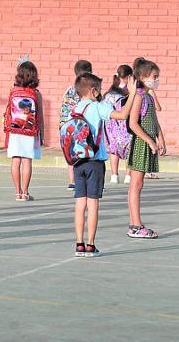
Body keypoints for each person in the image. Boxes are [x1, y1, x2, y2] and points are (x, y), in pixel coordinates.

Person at [70, 73, 136, 257]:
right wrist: (131, 95)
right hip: (95, 161)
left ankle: (79, 244)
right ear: (93, 90)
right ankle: (91, 244)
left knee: (79, 204)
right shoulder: (98, 107)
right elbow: (122, 115)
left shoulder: (75, 108)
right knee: (93, 204)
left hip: (78, 160)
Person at [126, 57, 164, 238]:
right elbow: (133, 124)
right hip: (141, 143)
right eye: (154, 76)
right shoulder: (139, 98)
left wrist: (160, 138)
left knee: (138, 185)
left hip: (148, 142)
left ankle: (135, 224)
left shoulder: (148, 97)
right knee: (136, 185)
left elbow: (154, 120)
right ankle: (135, 225)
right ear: (142, 77)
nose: (156, 80)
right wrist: (149, 141)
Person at [7, 61, 43, 202]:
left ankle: (17, 192)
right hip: (29, 130)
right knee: (27, 161)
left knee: (16, 160)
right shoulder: (36, 93)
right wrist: (41, 133)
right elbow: (39, 116)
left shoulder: (13, 91)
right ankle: (26, 192)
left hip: (15, 129)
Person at [61, 60, 92, 191]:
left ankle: (72, 181)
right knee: (87, 152)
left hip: (70, 126)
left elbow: (64, 109)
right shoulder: (89, 89)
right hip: (84, 125)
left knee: (71, 152)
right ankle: (87, 180)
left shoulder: (69, 90)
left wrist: (62, 127)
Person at [103, 65, 134, 184]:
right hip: (124, 124)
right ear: (128, 77)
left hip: (110, 125)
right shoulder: (129, 92)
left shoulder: (109, 93)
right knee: (129, 148)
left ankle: (114, 175)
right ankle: (128, 176)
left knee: (113, 149)